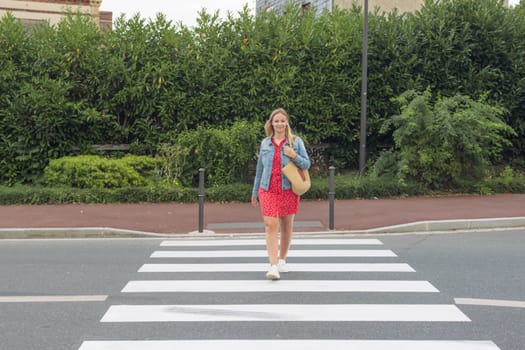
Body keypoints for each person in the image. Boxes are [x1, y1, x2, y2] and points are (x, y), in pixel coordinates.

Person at [251, 108, 311, 280]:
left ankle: (282, 259)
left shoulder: (295, 142)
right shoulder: (265, 144)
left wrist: (294, 156)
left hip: (288, 190)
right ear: (271, 123)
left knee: (286, 226)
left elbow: (306, 164)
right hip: (267, 189)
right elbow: (259, 170)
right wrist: (255, 192)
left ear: (286, 123)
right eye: (276, 121)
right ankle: (273, 265)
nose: (279, 124)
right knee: (270, 225)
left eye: (282, 121)